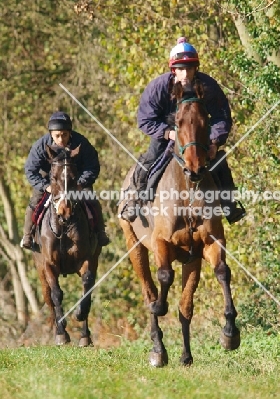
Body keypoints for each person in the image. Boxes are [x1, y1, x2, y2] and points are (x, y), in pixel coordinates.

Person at [119, 37, 246, 224]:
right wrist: (167, 133)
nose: (185, 73)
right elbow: (145, 119)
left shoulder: (209, 87)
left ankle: (229, 205)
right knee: (150, 158)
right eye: (180, 69)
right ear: (173, 70)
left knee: (219, 161)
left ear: (196, 69)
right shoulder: (158, 88)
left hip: (198, 136)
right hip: (165, 133)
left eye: (189, 68)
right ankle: (135, 199)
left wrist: (214, 142)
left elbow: (222, 117)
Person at [21, 111, 110, 249]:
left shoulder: (81, 143)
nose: (61, 139)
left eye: (64, 135)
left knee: (90, 198)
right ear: (51, 134)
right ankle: (27, 235)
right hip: (50, 180)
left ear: (70, 133)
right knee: (34, 201)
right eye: (57, 135)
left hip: (76, 178)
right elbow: (30, 170)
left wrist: (81, 182)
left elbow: (92, 166)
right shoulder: (40, 146)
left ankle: (100, 232)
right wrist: (45, 186)